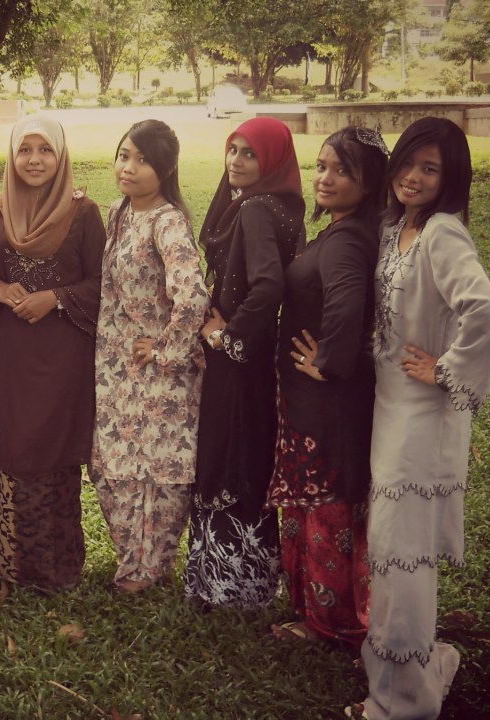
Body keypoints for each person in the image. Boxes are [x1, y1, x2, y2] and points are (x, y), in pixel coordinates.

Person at [347, 118, 490, 720]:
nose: (413, 176)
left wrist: (446, 369)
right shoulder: (398, 227)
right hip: (391, 408)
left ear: (450, 178)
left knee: (401, 552)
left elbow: (483, 308)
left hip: (421, 418)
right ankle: (403, 669)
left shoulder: (441, 232)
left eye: (430, 168)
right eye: (408, 162)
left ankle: (402, 701)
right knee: (392, 548)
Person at [266, 127, 389, 647]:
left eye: (343, 171)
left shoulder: (347, 240)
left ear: (369, 183)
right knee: (313, 503)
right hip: (314, 401)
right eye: (321, 166)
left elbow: (347, 300)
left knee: (326, 507)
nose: (326, 178)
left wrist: (331, 362)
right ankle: (312, 610)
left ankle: (331, 622)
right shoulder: (343, 230)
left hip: (327, 404)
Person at [0, 114, 106, 593]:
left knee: (53, 450)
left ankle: (57, 569)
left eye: (45, 150)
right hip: (11, 352)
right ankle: (10, 565)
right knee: (14, 445)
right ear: (12, 156)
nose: (34, 160)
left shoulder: (84, 212)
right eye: (25, 150)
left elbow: (103, 284)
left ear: (61, 156)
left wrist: (54, 298)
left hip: (61, 354)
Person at [186, 117, 305, 608]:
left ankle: (227, 586)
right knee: (247, 453)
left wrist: (224, 339)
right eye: (232, 149)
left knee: (228, 455)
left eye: (249, 153)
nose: (235, 160)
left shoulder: (255, 209)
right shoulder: (282, 206)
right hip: (257, 361)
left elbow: (269, 286)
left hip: (237, 362)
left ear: (272, 160)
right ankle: (248, 581)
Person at [90, 119, 209, 594]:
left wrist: (164, 349)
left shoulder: (167, 222)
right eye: (124, 156)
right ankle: (132, 561)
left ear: (166, 168)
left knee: (156, 472)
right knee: (113, 466)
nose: (129, 167)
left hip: (158, 373)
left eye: (143, 160)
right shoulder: (119, 211)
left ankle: (149, 569)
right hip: (117, 367)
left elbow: (193, 296)